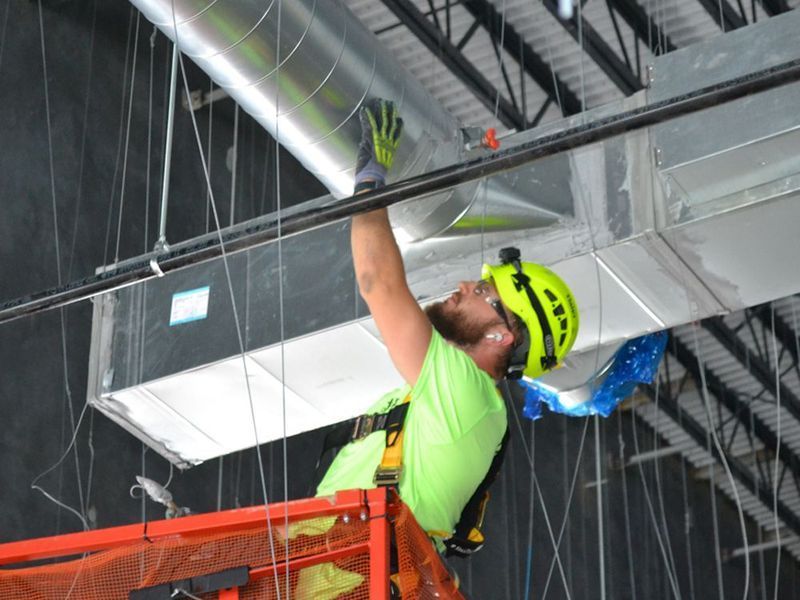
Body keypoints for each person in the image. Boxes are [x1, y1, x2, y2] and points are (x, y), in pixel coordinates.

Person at [303, 99, 578, 596]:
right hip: (337, 577)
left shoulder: (469, 394)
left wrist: (369, 180)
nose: (463, 287)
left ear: (503, 336)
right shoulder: (447, 398)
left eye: (483, 292)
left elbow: (378, 283)